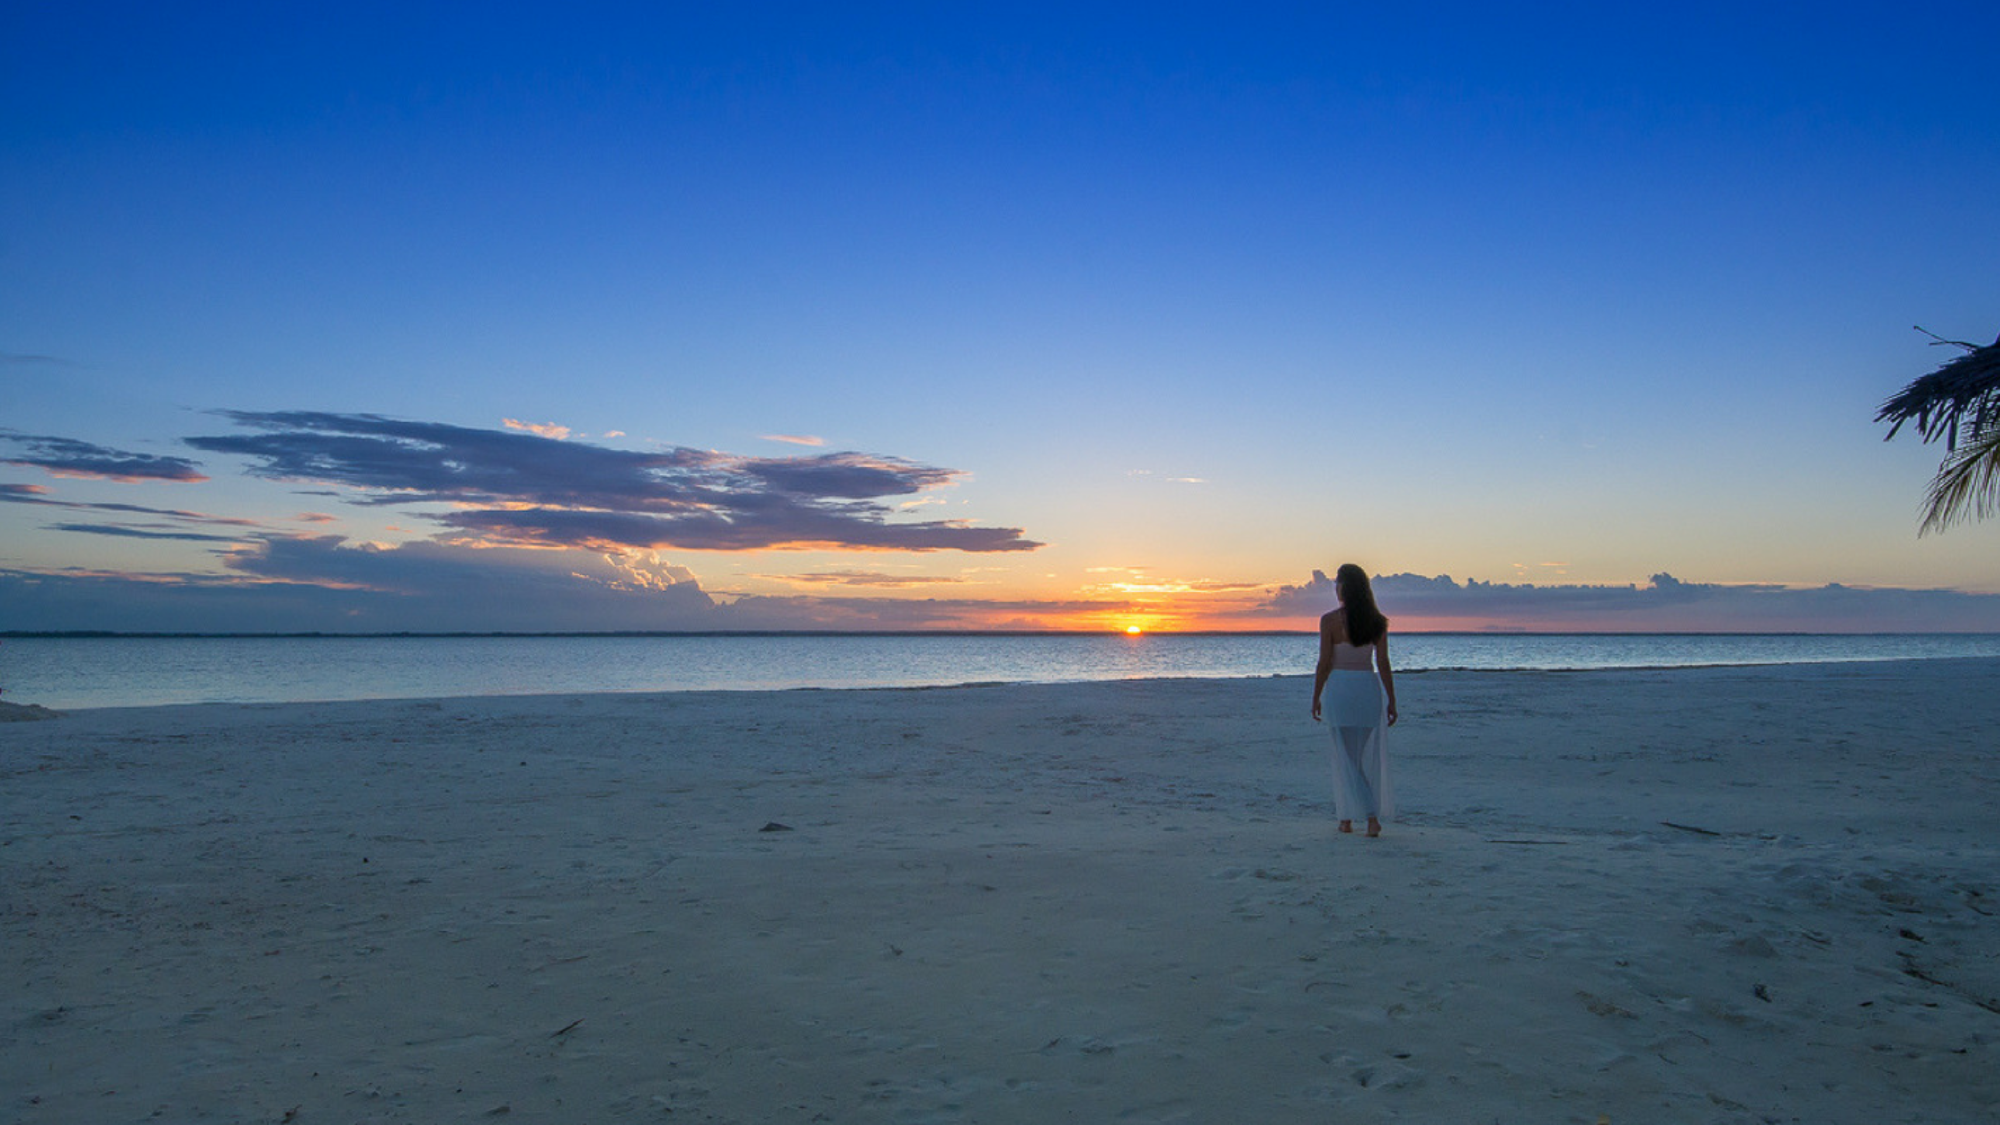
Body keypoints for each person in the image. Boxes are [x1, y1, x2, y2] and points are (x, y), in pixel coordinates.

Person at [1310, 563, 1398, 836]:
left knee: (1346, 757)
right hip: (1366, 690)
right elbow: (1383, 663)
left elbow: (1324, 663)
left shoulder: (1330, 620)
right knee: (1353, 756)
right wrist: (1391, 699)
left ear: (1344, 587)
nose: (1335, 587)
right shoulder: (1377, 621)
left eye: (1337, 583)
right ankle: (1348, 817)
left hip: (1341, 689)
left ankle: (1368, 817)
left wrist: (1316, 696)